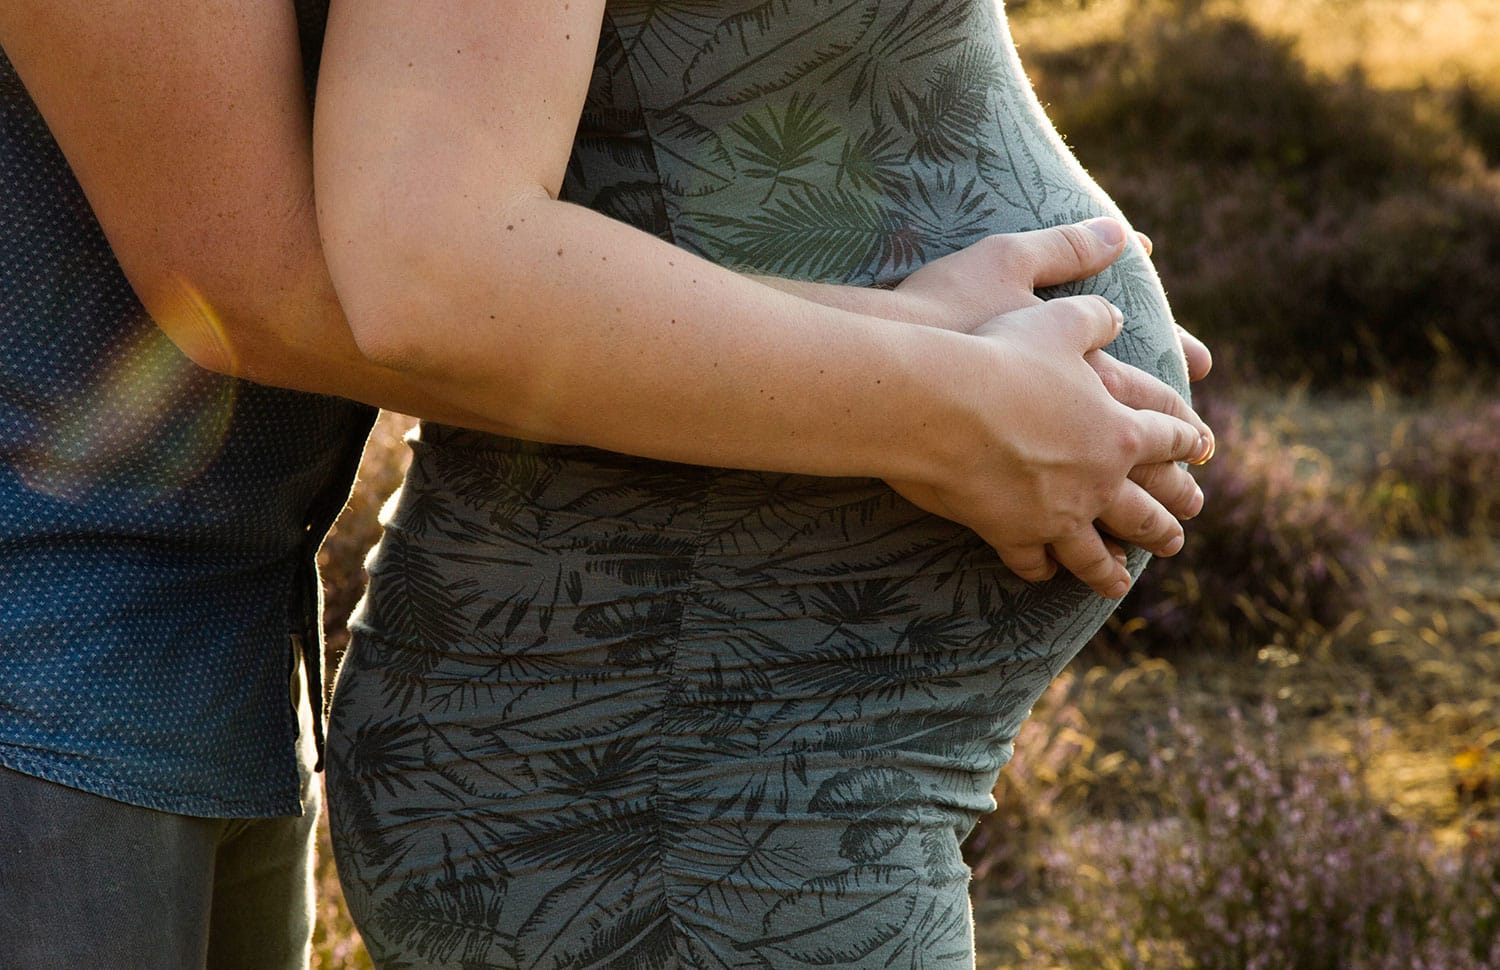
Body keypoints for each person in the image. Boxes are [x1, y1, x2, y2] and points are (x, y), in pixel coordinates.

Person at [0, 3, 1201, 968]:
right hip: (55, 662)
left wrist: (1028, 348)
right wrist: (938, 386)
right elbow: (274, 284)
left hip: (221, 638)